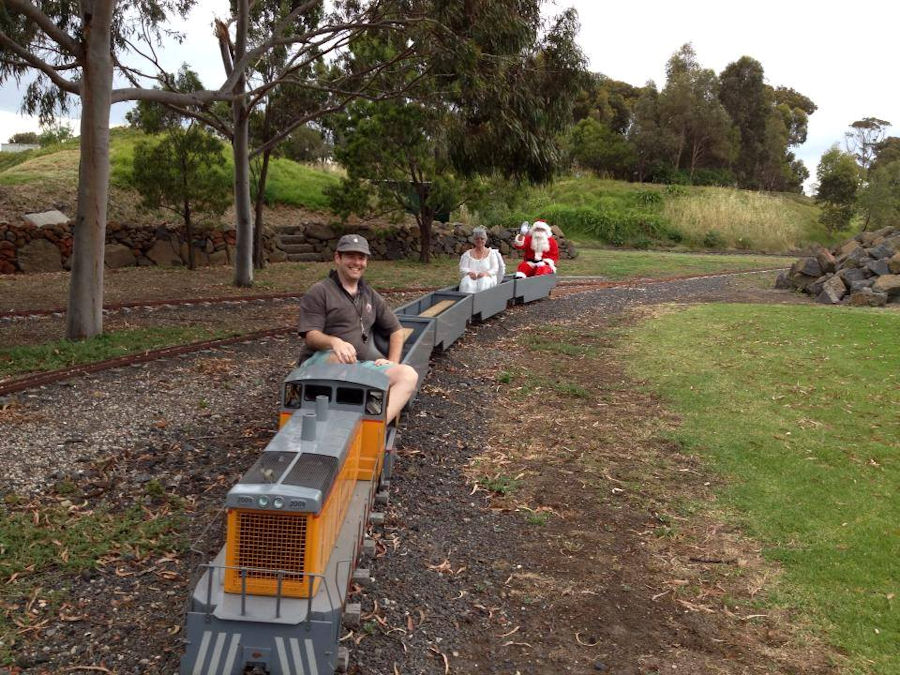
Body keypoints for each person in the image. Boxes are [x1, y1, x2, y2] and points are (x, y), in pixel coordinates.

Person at [297, 234, 418, 424]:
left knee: (408, 375)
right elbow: (311, 336)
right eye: (350, 256)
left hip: (359, 366)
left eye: (361, 257)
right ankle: (334, 420)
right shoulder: (320, 291)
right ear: (338, 258)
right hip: (321, 364)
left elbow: (396, 331)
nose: (356, 262)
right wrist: (334, 342)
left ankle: (374, 427)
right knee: (339, 358)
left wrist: (392, 362)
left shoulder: (369, 294)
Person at [458, 227, 500, 293]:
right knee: (467, 282)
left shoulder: (491, 253)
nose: (479, 240)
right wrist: (469, 273)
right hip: (472, 277)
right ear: (474, 240)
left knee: (483, 282)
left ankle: (482, 301)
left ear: (485, 240)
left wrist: (486, 273)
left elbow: (495, 268)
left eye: (482, 238)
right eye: (477, 239)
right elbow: (463, 268)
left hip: (487, 277)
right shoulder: (467, 254)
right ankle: (466, 301)